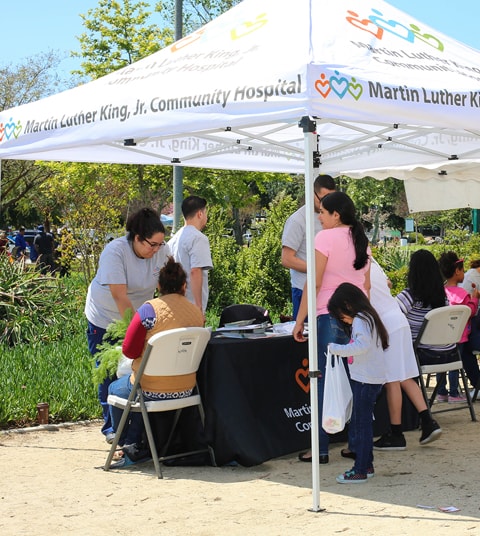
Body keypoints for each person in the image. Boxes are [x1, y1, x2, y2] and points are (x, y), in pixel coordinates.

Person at [293, 191, 370, 464]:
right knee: (356, 382)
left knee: (323, 382)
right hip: (358, 317)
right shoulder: (361, 241)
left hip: (328, 314)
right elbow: (367, 287)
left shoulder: (324, 238)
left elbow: (313, 282)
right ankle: (356, 444)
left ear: (336, 214)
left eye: (323, 212)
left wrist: (300, 319)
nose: (320, 217)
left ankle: (320, 448)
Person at [85, 207, 171, 443]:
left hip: (138, 316)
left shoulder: (162, 251)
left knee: (136, 371)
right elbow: (120, 296)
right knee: (108, 370)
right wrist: (135, 332)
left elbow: (168, 286)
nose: (156, 250)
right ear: (136, 238)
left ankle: (136, 427)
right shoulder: (115, 252)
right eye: (152, 245)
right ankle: (112, 430)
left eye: (160, 245)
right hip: (105, 316)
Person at [108, 256, 204, 459]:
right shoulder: (196, 314)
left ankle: (125, 444)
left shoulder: (148, 310)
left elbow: (130, 351)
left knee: (116, 388)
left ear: (159, 285)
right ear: (184, 286)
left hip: (151, 389)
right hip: (187, 389)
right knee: (135, 389)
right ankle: (135, 443)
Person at [366, 258, 442, 451]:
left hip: (387, 325)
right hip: (399, 323)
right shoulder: (373, 262)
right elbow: (388, 284)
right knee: (406, 376)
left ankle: (396, 433)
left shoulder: (355, 266)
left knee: (392, 380)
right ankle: (428, 421)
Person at [327, 282, 388, 483]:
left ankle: (360, 469)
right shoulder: (369, 317)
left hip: (366, 379)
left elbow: (361, 346)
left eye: (340, 314)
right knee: (364, 424)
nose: (342, 319)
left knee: (361, 425)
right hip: (370, 377)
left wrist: (336, 348)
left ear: (348, 304)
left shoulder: (361, 320)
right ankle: (366, 464)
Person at [397, 249, 461, 403]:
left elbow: (390, 318)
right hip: (450, 354)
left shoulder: (409, 296)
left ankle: (410, 409)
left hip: (424, 356)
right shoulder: (443, 297)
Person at [281, 175, 336, 318]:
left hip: (330, 290)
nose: (328, 203)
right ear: (312, 193)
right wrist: (318, 269)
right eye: (323, 199)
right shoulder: (298, 220)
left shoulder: (335, 217)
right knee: (306, 337)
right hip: (304, 290)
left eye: (332, 199)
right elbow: (287, 259)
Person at [438, 251, 480, 397]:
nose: (464, 273)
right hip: (459, 336)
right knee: (455, 364)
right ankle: (454, 393)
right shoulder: (462, 294)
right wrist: (475, 298)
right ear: (457, 271)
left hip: (442, 337)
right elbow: (471, 311)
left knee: (441, 366)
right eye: (462, 270)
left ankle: (441, 392)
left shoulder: (441, 293)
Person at [167, 195, 213, 318]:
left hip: (174, 305)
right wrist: (198, 307)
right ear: (200, 214)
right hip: (191, 307)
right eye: (205, 212)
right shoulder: (198, 238)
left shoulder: (174, 239)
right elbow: (195, 270)